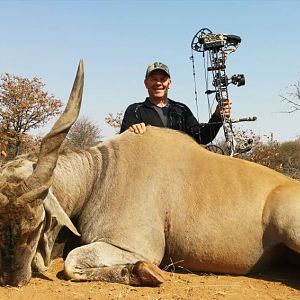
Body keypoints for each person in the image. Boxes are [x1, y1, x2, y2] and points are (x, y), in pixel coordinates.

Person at [120, 62, 231, 145]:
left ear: (169, 83)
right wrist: (132, 132)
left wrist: (217, 116)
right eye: (153, 79)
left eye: (163, 79)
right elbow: (123, 145)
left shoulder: (182, 109)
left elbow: (202, 137)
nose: (158, 83)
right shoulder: (134, 110)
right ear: (146, 83)